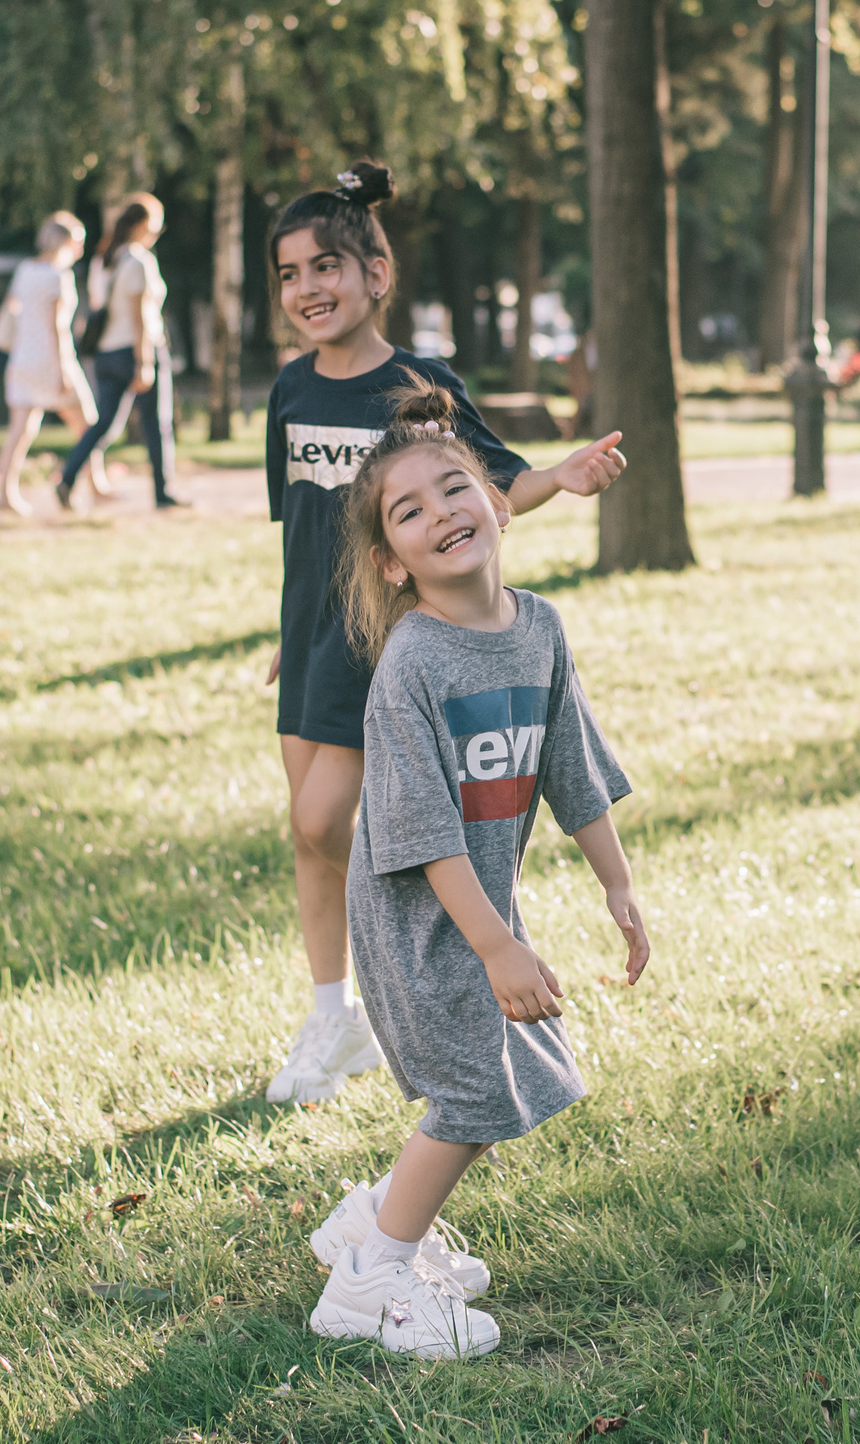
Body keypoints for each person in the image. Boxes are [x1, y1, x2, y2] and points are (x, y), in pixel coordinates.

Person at [261, 161, 627, 1105]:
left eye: (327, 266)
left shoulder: (420, 383)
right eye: (290, 272)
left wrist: (565, 477)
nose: (309, 288)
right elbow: (306, 532)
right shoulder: (289, 392)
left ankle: (419, 947)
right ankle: (330, 1014)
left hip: (380, 651)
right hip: (309, 643)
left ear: (375, 274)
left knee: (321, 820)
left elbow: (485, 487)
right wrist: (286, 630)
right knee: (306, 837)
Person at [301, 371, 649, 1358]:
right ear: (395, 560)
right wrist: (496, 945)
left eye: (454, 488)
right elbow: (421, 833)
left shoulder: (536, 627)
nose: (441, 512)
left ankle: (371, 1222)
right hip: (424, 918)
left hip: (482, 910)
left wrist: (617, 883)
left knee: (506, 1077)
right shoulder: (414, 663)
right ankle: (369, 1285)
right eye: (409, 511)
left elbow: (574, 767)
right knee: (472, 1093)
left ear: (495, 501)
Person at [56, 192, 179, 510]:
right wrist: (145, 362)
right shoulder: (139, 260)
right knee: (157, 425)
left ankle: (67, 478)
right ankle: (163, 494)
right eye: (155, 228)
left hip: (106, 354)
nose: (156, 235)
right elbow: (140, 317)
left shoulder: (102, 261)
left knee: (104, 424)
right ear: (141, 226)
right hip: (137, 351)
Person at [0, 212, 98, 516]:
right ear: (65, 241)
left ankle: (5, 494)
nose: (80, 249)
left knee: (20, 431)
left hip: (23, 358)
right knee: (87, 424)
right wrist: (63, 370)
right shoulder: (57, 277)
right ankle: (97, 485)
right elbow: (57, 328)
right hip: (50, 360)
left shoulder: (25, 269)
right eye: (78, 242)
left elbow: (13, 306)